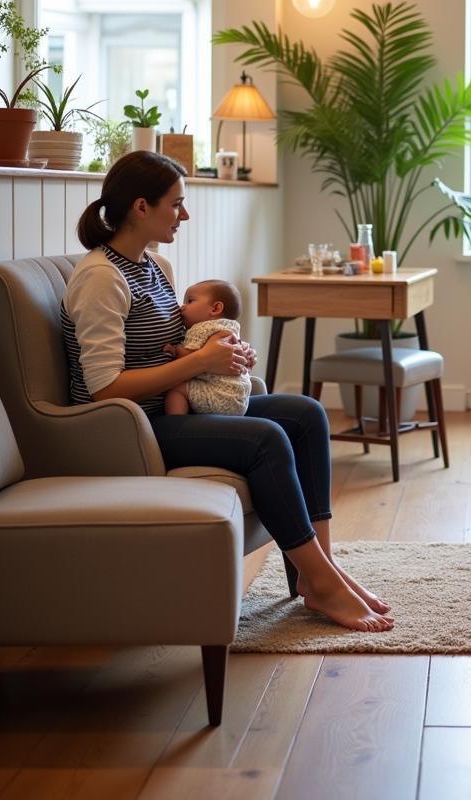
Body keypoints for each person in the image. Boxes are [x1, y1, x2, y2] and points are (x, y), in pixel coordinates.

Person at [62, 151, 393, 632]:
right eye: (176, 204)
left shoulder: (154, 266)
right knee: (266, 438)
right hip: (127, 425)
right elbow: (104, 388)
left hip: (174, 405)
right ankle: (321, 582)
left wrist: (225, 350)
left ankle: (319, 568)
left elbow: (176, 346)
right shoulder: (100, 278)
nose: (185, 214)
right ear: (140, 207)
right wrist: (201, 362)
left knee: (305, 414)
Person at [164, 279, 252, 417]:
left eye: (190, 301)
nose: (182, 307)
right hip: (240, 399)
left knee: (176, 390)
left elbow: (190, 358)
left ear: (215, 308)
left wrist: (176, 351)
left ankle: (175, 423)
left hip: (217, 395)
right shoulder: (231, 327)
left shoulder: (202, 328)